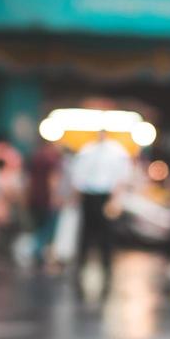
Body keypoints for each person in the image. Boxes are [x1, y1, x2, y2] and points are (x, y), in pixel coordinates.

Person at [70, 128, 133, 299]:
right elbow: (77, 176)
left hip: (105, 197)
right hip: (89, 197)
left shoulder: (116, 152)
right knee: (85, 238)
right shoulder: (87, 150)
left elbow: (122, 177)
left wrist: (115, 200)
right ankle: (80, 271)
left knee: (107, 239)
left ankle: (107, 274)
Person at [26, 139, 62, 265]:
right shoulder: (52, 159)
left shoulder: (35, 157)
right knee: (46, 229)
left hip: (35, 198)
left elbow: (29, 180)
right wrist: (54, 197)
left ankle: (36, 252)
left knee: (38, 227)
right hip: (46, 199)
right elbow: (52, 180)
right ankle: (36, 251)